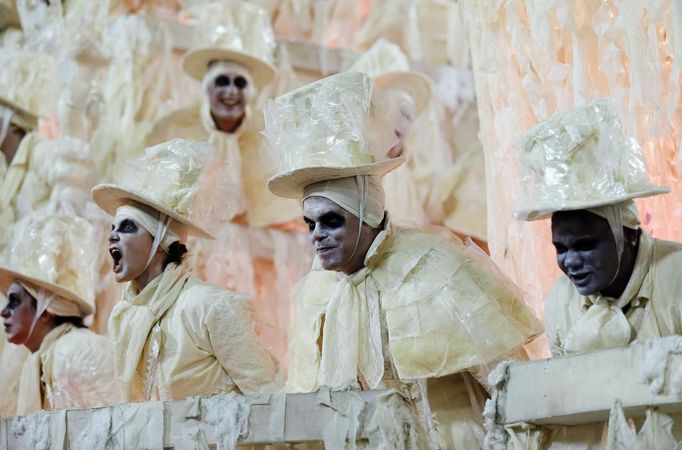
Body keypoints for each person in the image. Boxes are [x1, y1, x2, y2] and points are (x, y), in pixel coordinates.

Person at [264, 72, 542, 449]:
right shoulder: (314, 294)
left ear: (370, 214)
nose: (317, 235)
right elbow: (307, 404)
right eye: (310, 223)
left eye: (332, 220)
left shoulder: (434, 266)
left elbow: (508, 381)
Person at [146, 1, 312, 363]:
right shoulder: (174, 130)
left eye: (240, 83)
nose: (231, 92)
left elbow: (283, 217)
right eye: (222, 81)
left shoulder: (264, 144)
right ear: (206, 88)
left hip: (251, 277)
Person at [514, 99, 682, 447]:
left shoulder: (676, 276)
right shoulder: (562, 300)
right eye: (561, 248)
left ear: (629, 236)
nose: (570, 262)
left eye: (586, 244)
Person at [91, 138, 282, 402]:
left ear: (161, 242)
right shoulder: (123, 316)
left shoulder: (209, 307)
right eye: (113, 228)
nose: (112, 237)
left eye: (126, 228)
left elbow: (271, 400)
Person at [0, 215, 120, 414]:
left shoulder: (80, 350)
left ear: (46, 311)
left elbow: (114, 431)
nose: (3, 312)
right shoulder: (40, 359)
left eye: (14, 301)